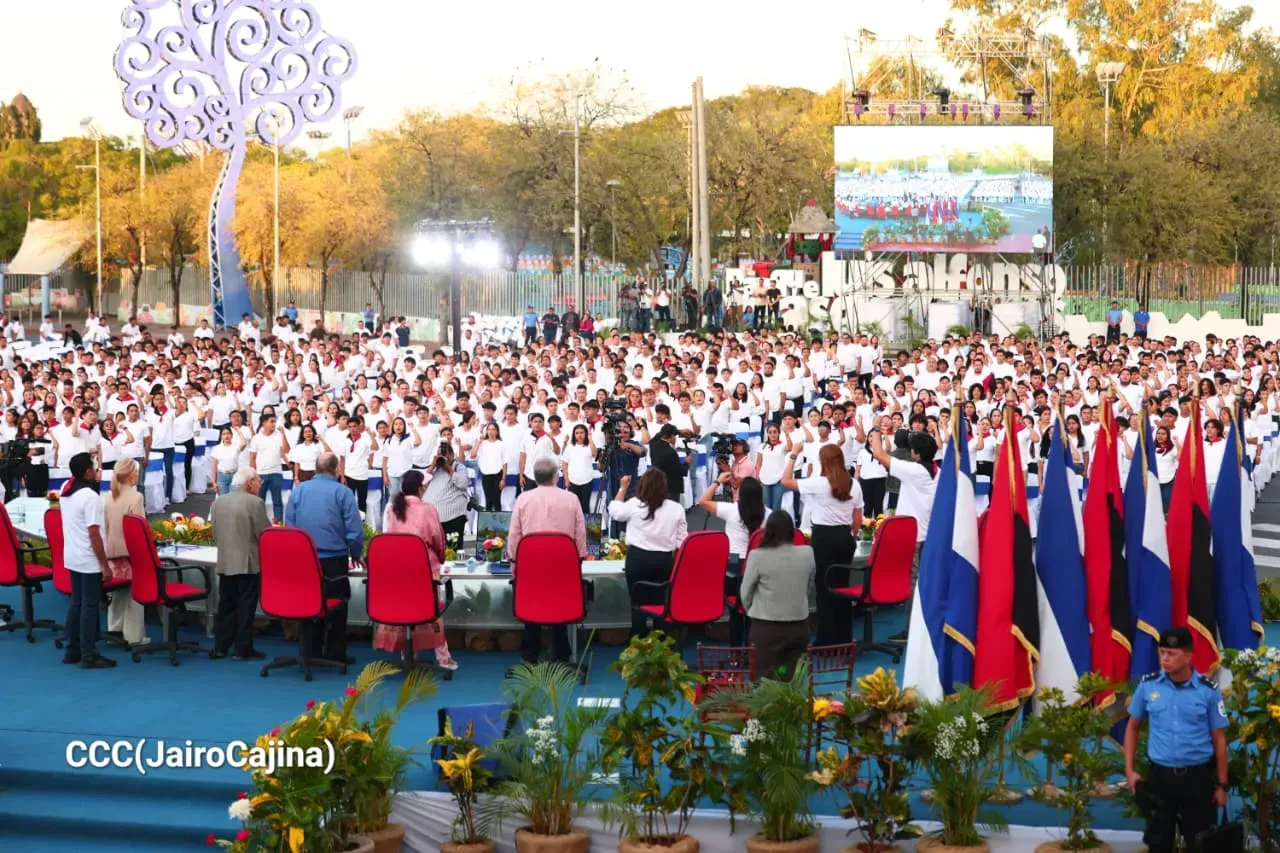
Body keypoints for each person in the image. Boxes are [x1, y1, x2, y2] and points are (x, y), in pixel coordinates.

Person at [1123, 626, 1229, 853]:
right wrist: (1130, 771)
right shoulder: (1148, 686)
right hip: (1160, 779)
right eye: (1162, 652)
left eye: (1171, 654)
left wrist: (1221, 785)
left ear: (1189, 656)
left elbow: (1219, 740)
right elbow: (1132, 727)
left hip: (1197, 779)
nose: (1165, 658)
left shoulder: (1207, 691)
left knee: (1200, 844)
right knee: (1158, 844)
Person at [284, 452, 364, 663]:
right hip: (333, 559)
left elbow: (289, 526)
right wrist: (356, 554)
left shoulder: (299, 491)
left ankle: (309, 649)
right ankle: (335, 652)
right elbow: (354, 531)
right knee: (337, 605)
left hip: (304, 560)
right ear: (336, 470)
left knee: (308, 603)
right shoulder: (343, 492)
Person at [507, 458, 588, 664]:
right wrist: (579, 561)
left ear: (534, 477)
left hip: (530, 570)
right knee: (560, 604)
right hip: (564, 570)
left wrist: (514, 564)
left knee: (532, 603)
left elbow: (514, 536)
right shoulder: (571, 499)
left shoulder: (523, 500)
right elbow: (580, 535)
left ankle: (530, 655)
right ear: (556, 476)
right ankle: (561, 655)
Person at [780, 443, 862, 646]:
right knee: (842, 588)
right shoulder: (854, 484)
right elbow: (857, 517)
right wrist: (851, 536)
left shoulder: (819, 483)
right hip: (845, 537)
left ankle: (826, 641)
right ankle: (843, 639)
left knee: (824, 588)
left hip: (824, 537)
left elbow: (785, 481)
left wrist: (793, 455)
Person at [375, 469, 457, 670]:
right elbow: (438, 541)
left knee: (406, 608)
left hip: (397, 571)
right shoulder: (428, 509)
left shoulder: (391, 508)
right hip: (425, 571)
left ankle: (408, 654)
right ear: (420, 489)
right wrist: (440, 558)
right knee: (431, 611)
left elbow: (387, 538)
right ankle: (443, 658)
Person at [609, 469, 688, 639]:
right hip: (664, 561)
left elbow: (615, 512)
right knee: (662, 604)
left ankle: (637, 647)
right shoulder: (676, 509)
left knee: (637, 605)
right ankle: (661, 648)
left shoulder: (634, 504)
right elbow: (682, 541)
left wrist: (622, 488)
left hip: (638, 560)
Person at [741, 510, 816, 678]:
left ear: (768, 531)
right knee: (790, 679)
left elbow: (745, 593)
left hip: (766, 630)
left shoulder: (757, 556)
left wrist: (755, 611)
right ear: (792, 531)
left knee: (763, 680)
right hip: (799, 627)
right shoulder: (808, 553)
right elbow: (808, 587)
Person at [210, 468, 271, 660]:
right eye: (258, 481)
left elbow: (214, 533)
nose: (260, 484)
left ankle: (221, 646)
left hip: (226, 559)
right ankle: (243, 648)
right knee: (246, 605)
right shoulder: (255, 503)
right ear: (250, 482)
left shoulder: (219, 502)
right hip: (247, 561)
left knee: (226, 603)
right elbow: (265, 534)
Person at [698, 474, 765, 646]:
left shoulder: (732, 510)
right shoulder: (768, 514)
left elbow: (703, 501)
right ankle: (752, 651)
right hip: (757, 565)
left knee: (735, 612)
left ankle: (736, 653)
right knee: (752, 610)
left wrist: (717, 481)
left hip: (734, 567)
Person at [60, 453, 114, 668]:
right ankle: (89, 653)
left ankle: (72, 649)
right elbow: (94, 533)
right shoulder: (90, 497)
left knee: (77, 603)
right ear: (87, 472)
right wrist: (104, 564)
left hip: (72, 554)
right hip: (88, 557)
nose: (96, 470)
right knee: (90, 605)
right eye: (93, 467)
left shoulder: (67, 489)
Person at [102, 458, 146, 647]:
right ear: (131, 475)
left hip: (111, 551)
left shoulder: (107, 496)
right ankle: (134, 635)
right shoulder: (136, 497)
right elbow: (138, 528)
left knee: (117, 595)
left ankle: (115, 630)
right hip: (130, 552)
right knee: (134, 595)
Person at [422, 442, 471, 546]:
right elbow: (422, 484)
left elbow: (463, 483)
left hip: (453, 518)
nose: (443, 457)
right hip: (433, 519)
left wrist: (449, 469)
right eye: (440, 454)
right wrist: (433, 465)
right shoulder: (435, 469)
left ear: (452, 455)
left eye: (446, 454)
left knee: (453, 551)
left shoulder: (458, 466)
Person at [648, 423, 692, 501]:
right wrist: (687, 462)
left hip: (658, 484)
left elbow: (657, 436)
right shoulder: (671, 453)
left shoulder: (653, 444)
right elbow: (682, 471)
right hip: (671, 488)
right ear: (672, 436)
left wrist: (678, 431)